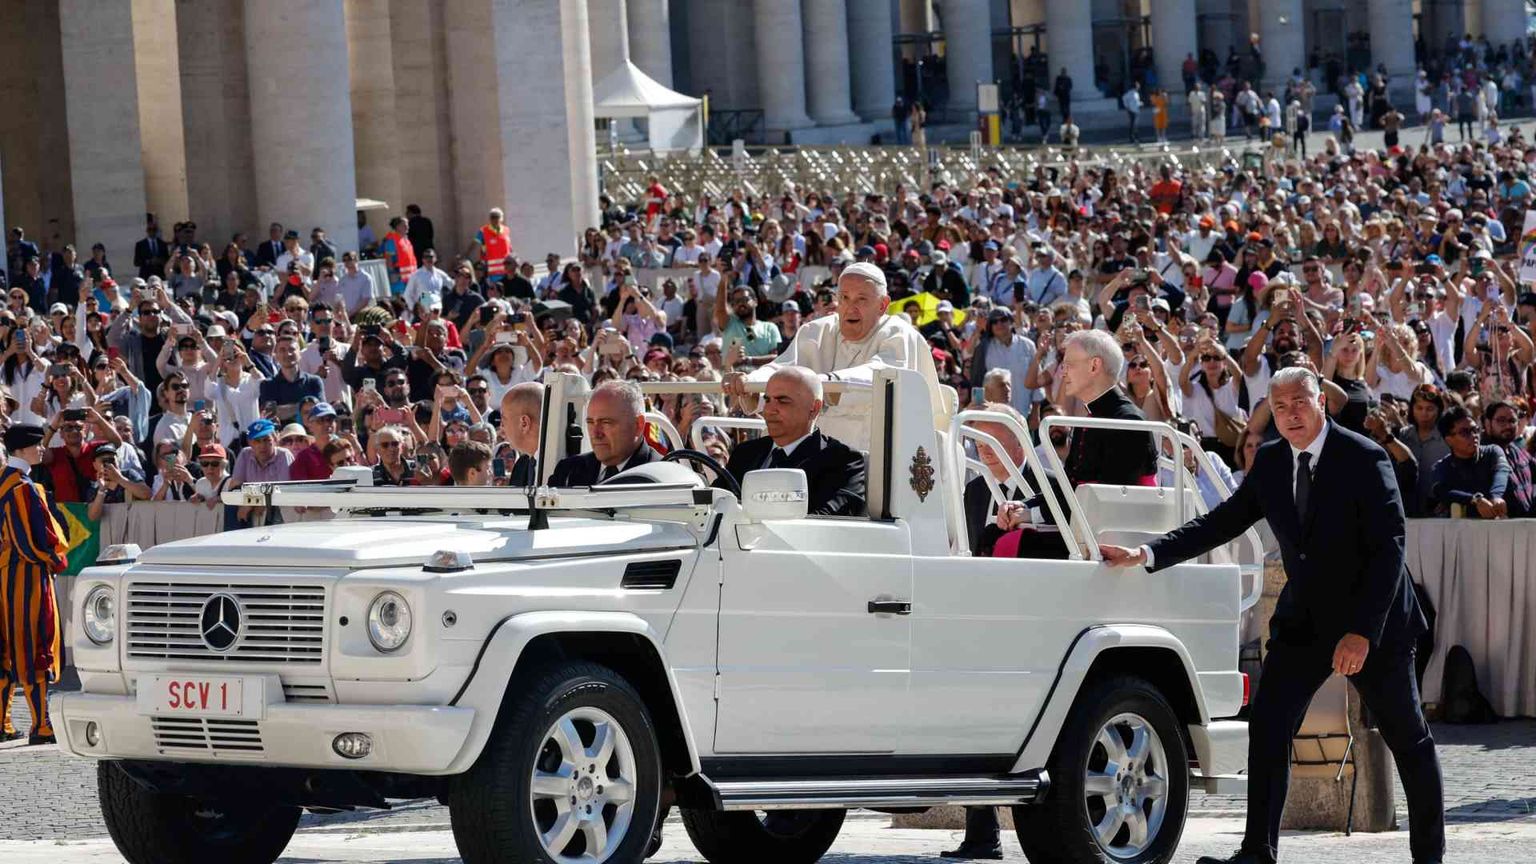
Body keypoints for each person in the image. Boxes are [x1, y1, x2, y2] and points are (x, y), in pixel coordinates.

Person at [1101, 367, 1443, 864]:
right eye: (1279, 407)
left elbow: (1389, 550)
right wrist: (1147, 554)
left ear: (1321, 401)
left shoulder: (1364, 457)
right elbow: (1221, 522)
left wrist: (1361, 633)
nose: (1290, 415)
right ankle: (1257, 851)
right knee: (1269, 724)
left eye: (1299, 403)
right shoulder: (1270, 460)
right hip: (1306, 620)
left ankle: (1429, 857)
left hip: (1375, 620)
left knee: (1407, 737)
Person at [724, 262, 947, 451]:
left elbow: (881, 374)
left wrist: (827, 382)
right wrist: (750, 382)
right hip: (816, 455)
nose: (850, 308)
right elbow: (783, 370)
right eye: (845, 298)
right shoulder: (815, 332)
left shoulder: (899, 333)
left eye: (861, 299)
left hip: (877, 455)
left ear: (883, 305)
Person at [0, 423, 70, 745]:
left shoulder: (6, 482)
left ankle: (3, 722)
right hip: (24, 575)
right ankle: (41, 725)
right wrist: (54, 559)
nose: (42, 449)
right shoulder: (23, 488)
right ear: (23, 449)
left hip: (5, 572)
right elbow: (33, 542)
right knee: (34, 645)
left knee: (5, 649)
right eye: (37, 445)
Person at [717, 367, 865, 516]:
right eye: (767, 400)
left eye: (783, 401)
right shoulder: (746, 453)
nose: (769, 410)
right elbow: (713, 504)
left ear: (814, 408)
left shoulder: (842, 460)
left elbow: (828, 520)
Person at [1055, 329, 1157, 486]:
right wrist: (1026, 506)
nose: (1063, 374)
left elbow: (1110, 499)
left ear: (1094, 366)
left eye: (1069, 365)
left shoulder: (1128, 422)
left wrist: (1035, 512)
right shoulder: (1091, 418)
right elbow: (1068, 485)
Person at [548, 380, 660, 486]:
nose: (596, 433)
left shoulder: (662, 478)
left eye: (606, 422)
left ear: (638, 425)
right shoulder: (568, 471)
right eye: (590, 422)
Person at [1430, 404, 1510, 518]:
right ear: (1449, 440)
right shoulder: (1442, 467)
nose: (1474, 436)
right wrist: (1475, 500)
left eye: (1475, 430)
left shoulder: (1492, 452)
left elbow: (1501, 473)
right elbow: (1443, 492)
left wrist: (1496, 496)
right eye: (1465, 432)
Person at [499, 382, 544, 486]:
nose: (501, 427)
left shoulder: (567, 470)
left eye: (504, 419)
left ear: (524, 423)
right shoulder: (521, 467)